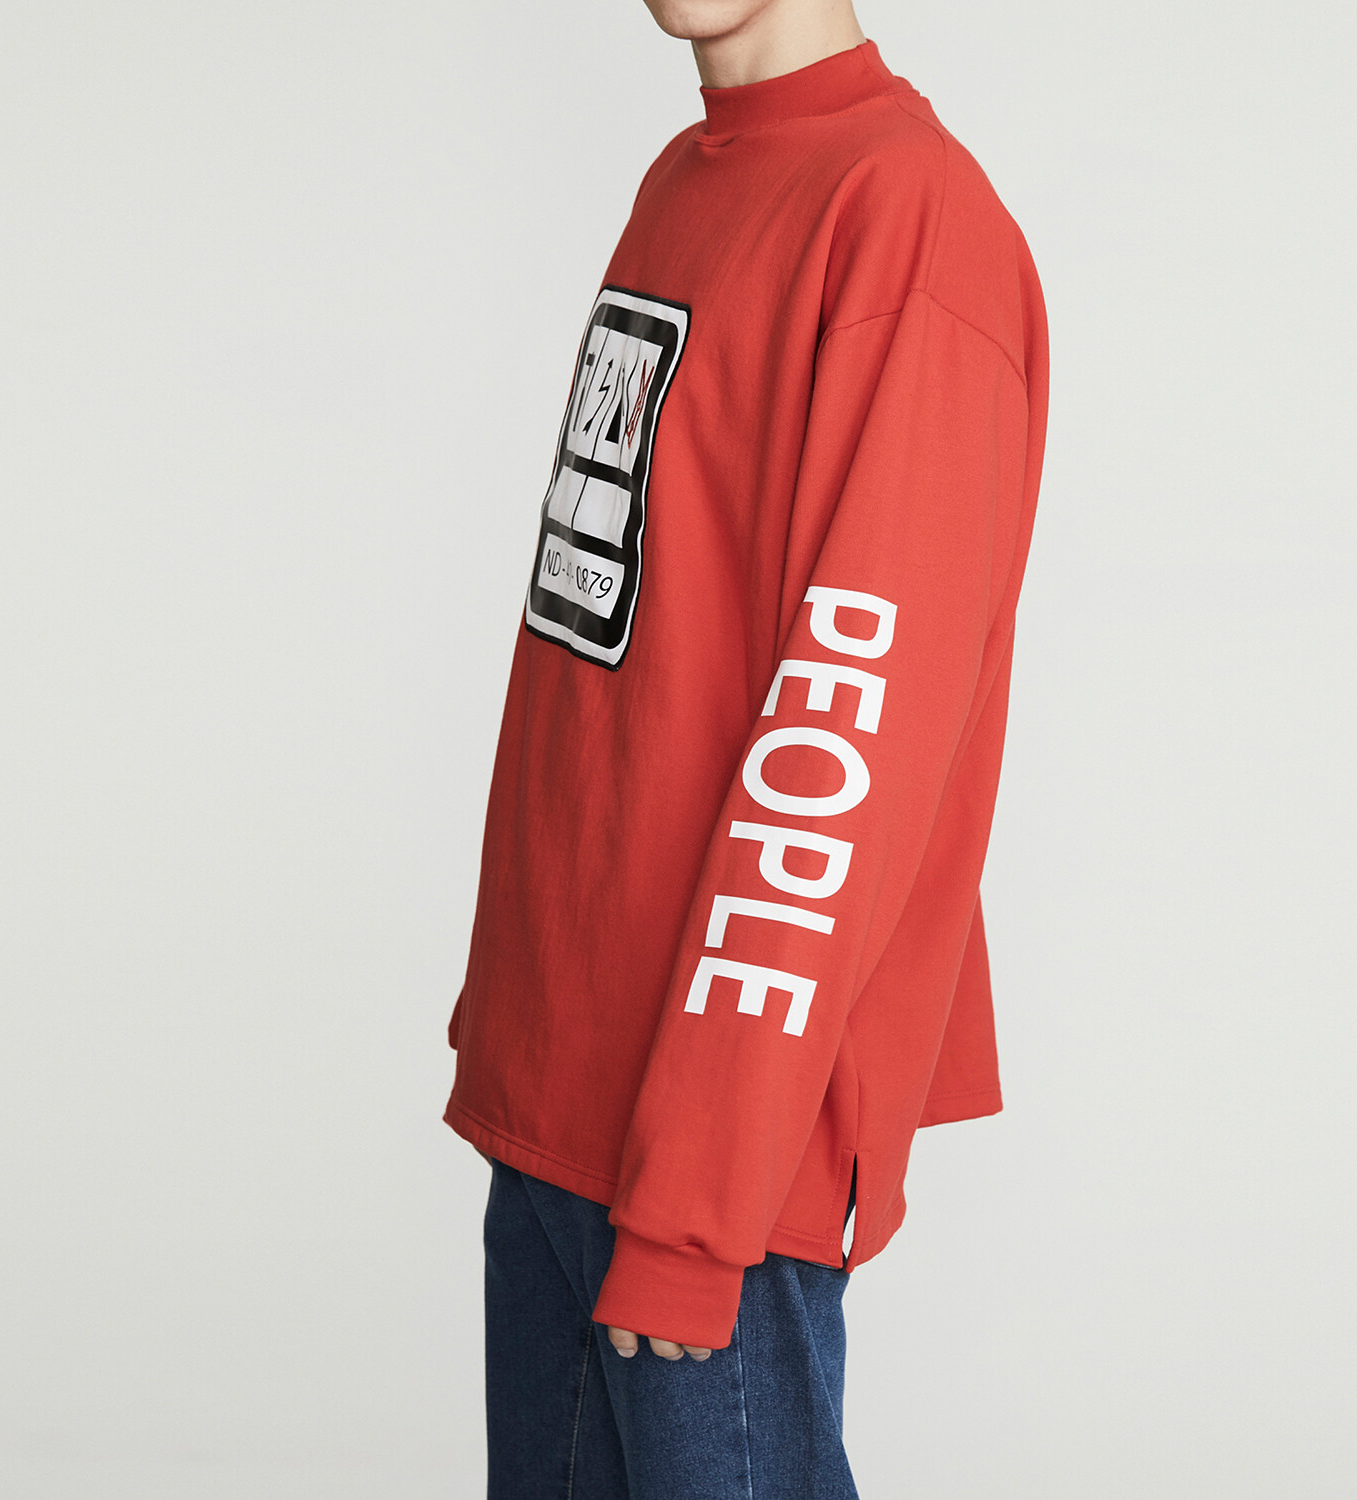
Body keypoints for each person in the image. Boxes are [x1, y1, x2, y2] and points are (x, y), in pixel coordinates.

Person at [444, 0, 1049, 1493]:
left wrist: (697, 1207)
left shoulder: (910, 225)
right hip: (560, 1112)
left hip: (709, 1159)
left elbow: (848, 744)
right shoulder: (688, 177)